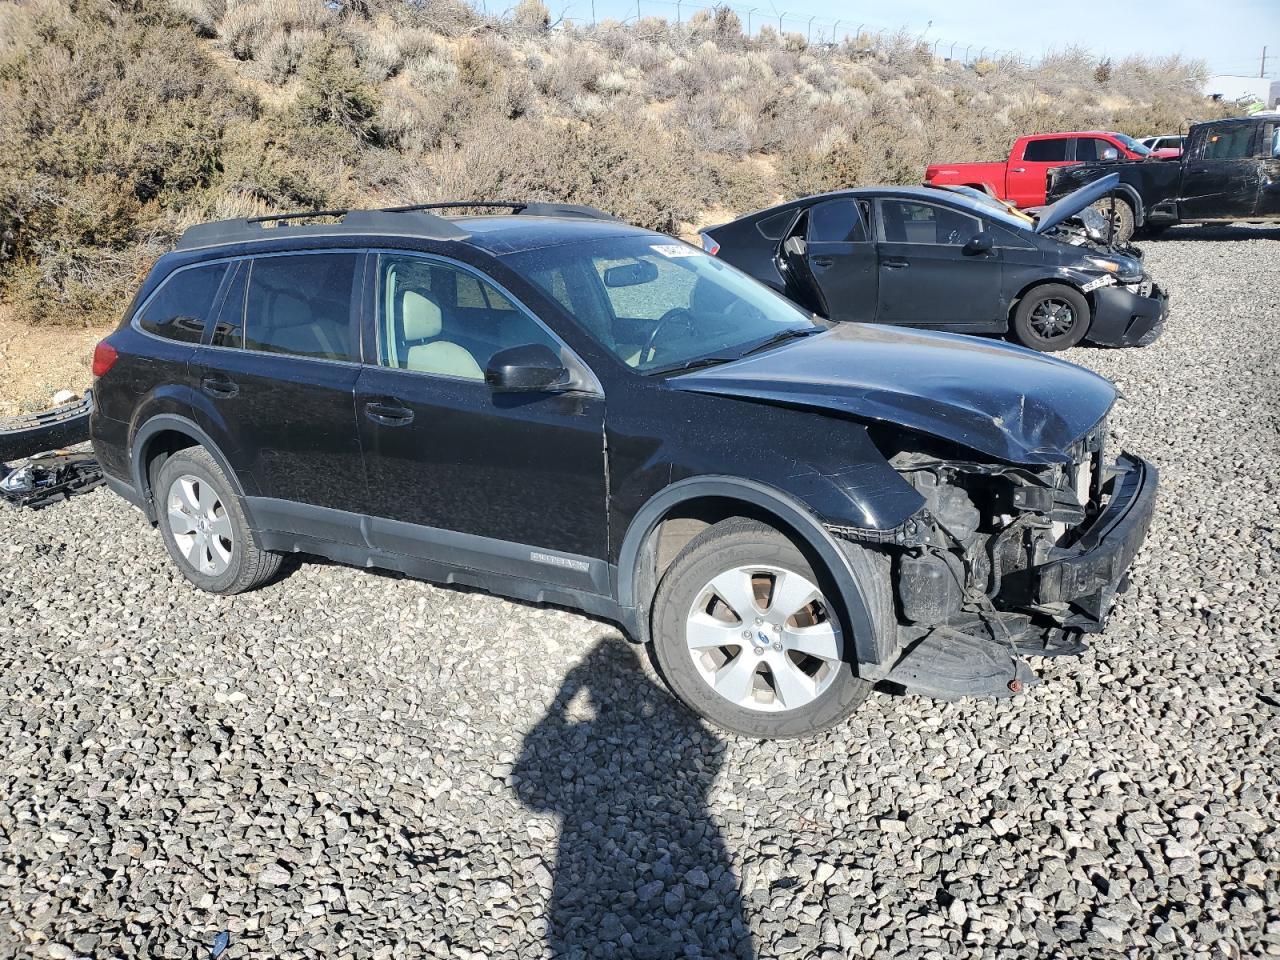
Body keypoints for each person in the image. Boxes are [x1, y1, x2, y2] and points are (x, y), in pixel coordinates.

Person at [514, 637, 754, 959]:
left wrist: (559, 707)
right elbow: (712, 747)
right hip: (700, 832)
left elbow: (528, 790)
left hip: (577, 856)